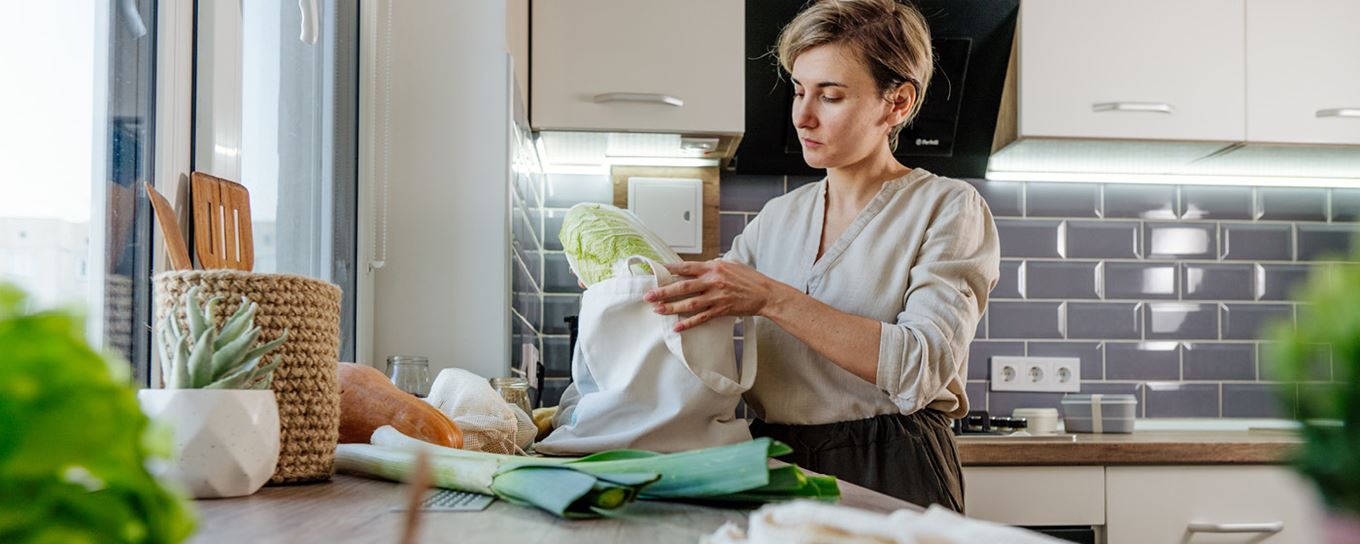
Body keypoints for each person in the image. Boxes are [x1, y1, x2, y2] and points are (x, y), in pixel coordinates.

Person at [643, 0, 1000, 511]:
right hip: (775, 460)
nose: (803, 116)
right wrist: (633, 288)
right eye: (799, 91)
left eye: (830, 96)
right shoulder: (778, 217)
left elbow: (921, 367)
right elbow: (704, 307)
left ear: (896, 103)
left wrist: (770, 298)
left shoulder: (947, 207)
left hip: (892, 463)